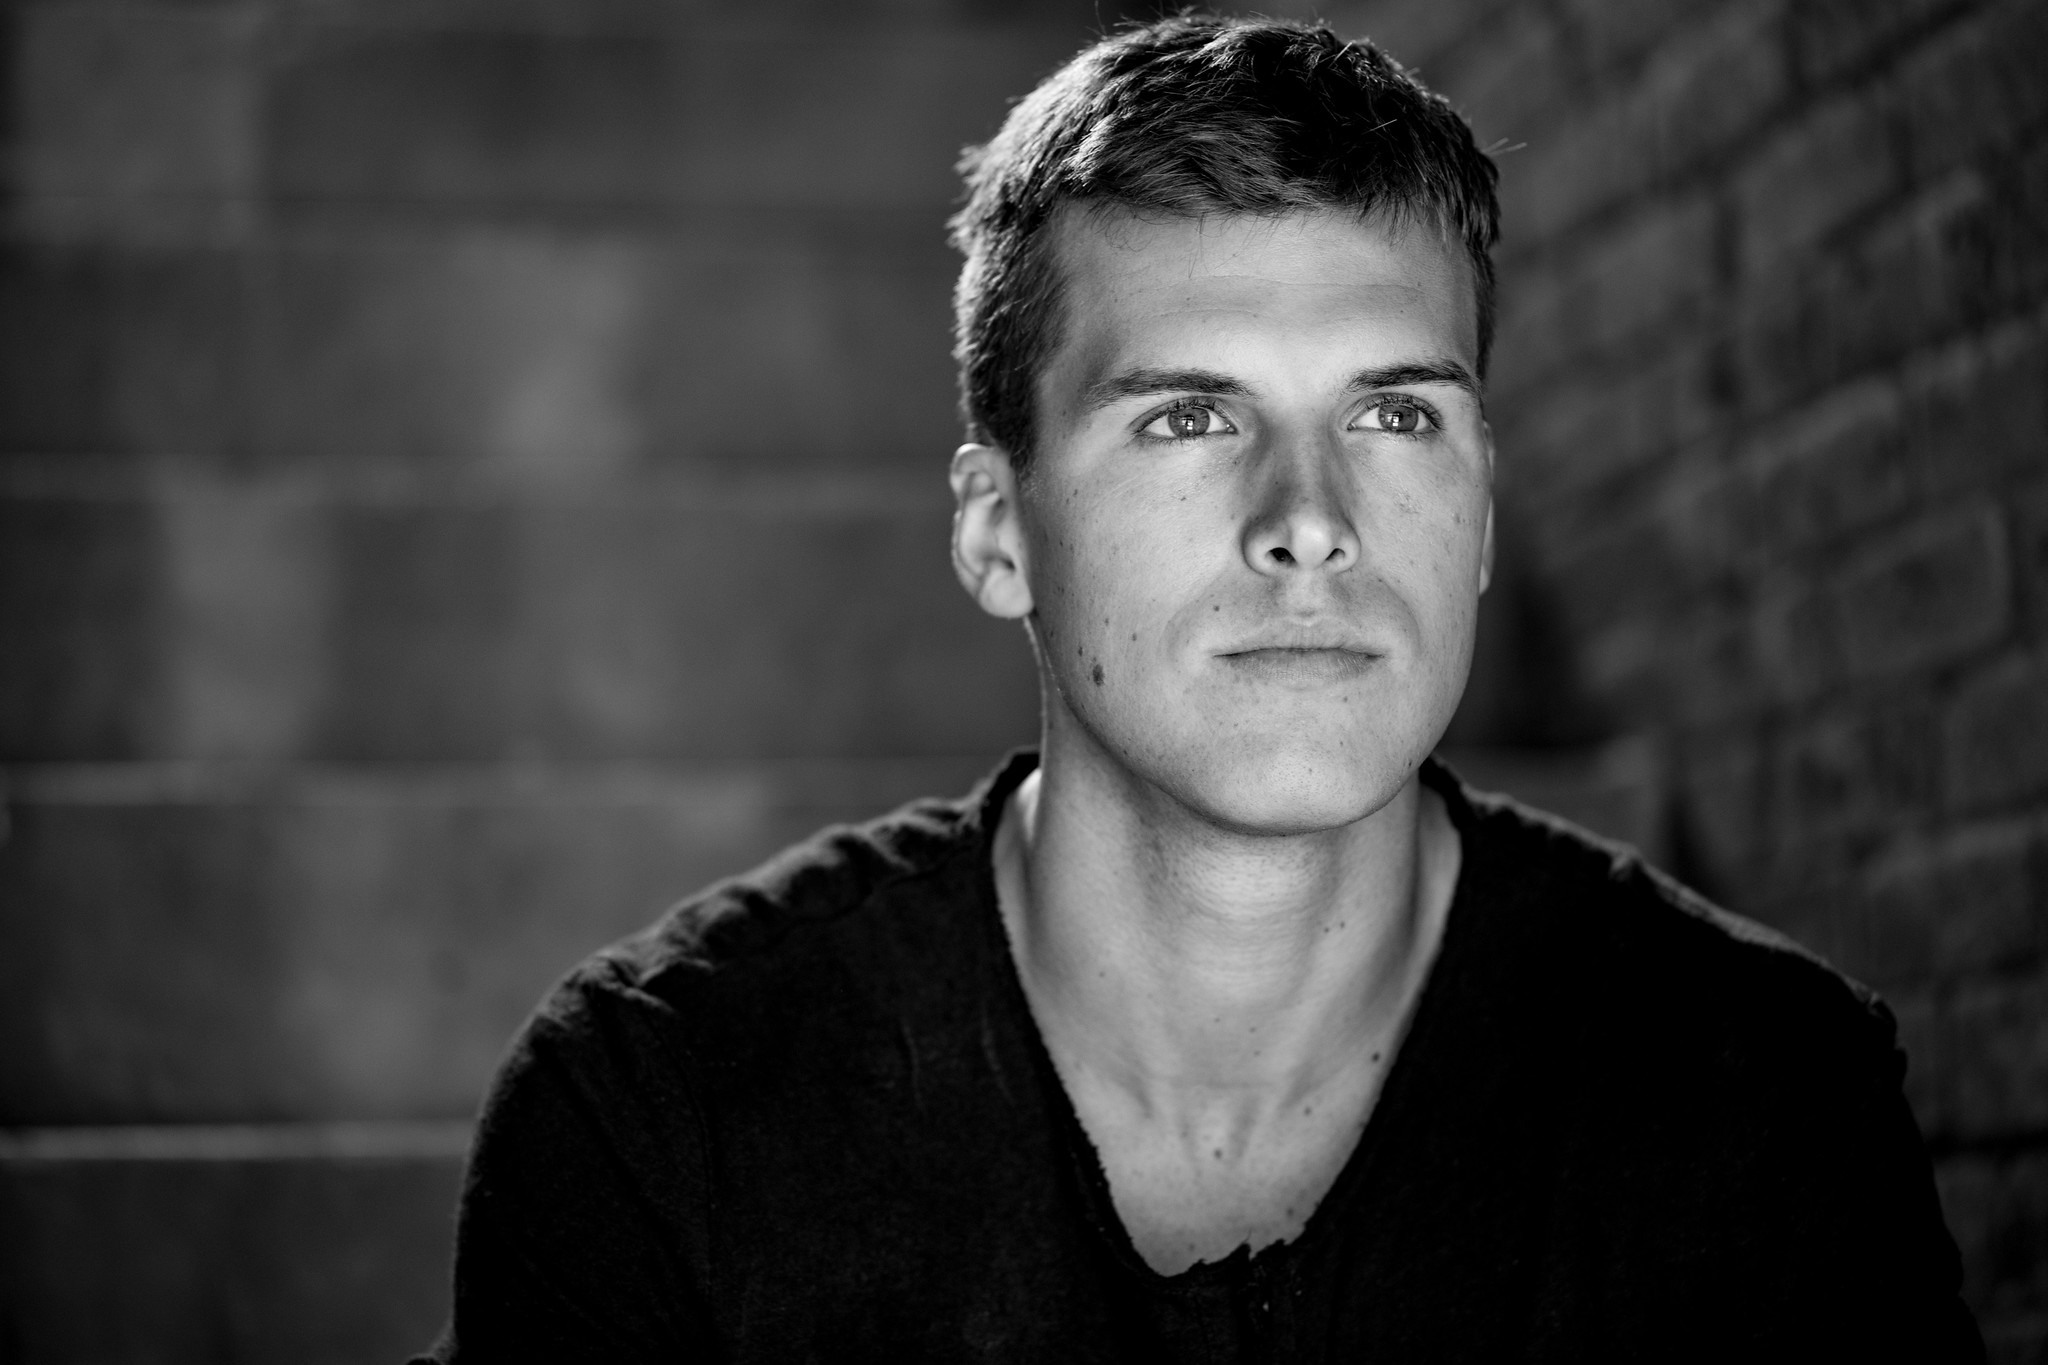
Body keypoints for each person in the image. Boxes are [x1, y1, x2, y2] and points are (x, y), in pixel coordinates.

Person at [415, 14, 1982, 1361]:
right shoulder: (663, 1116)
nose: (1309, 520)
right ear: (996, 531)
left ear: (1485, 518)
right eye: (1187, 419)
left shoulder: (1771, 1098)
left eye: (1394, 417)